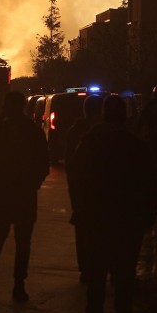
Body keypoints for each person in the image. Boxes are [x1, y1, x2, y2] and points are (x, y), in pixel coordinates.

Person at [70, 95, 157, 313]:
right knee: (124, 280)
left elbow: (76, 177)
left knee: (96, 278)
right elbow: (149, 185)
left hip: (97, 220)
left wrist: (81, 209)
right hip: (127, 223)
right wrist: (147, 218)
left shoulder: (89, 142)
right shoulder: (136, 145)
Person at [0, 91, 49, 302]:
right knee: (20, 241)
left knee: (1, 236)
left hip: (7, 193)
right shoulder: (31, 131)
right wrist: (33, 184)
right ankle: (17, 284)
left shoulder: (5, 127)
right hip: (21, 194)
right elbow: (43, 163)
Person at [64, 94, 104, 283]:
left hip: (81, 192)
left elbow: (70, 162)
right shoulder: (107, 133)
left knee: (83, 231)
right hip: (103, 194)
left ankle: (86, 269)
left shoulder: (76, 131)